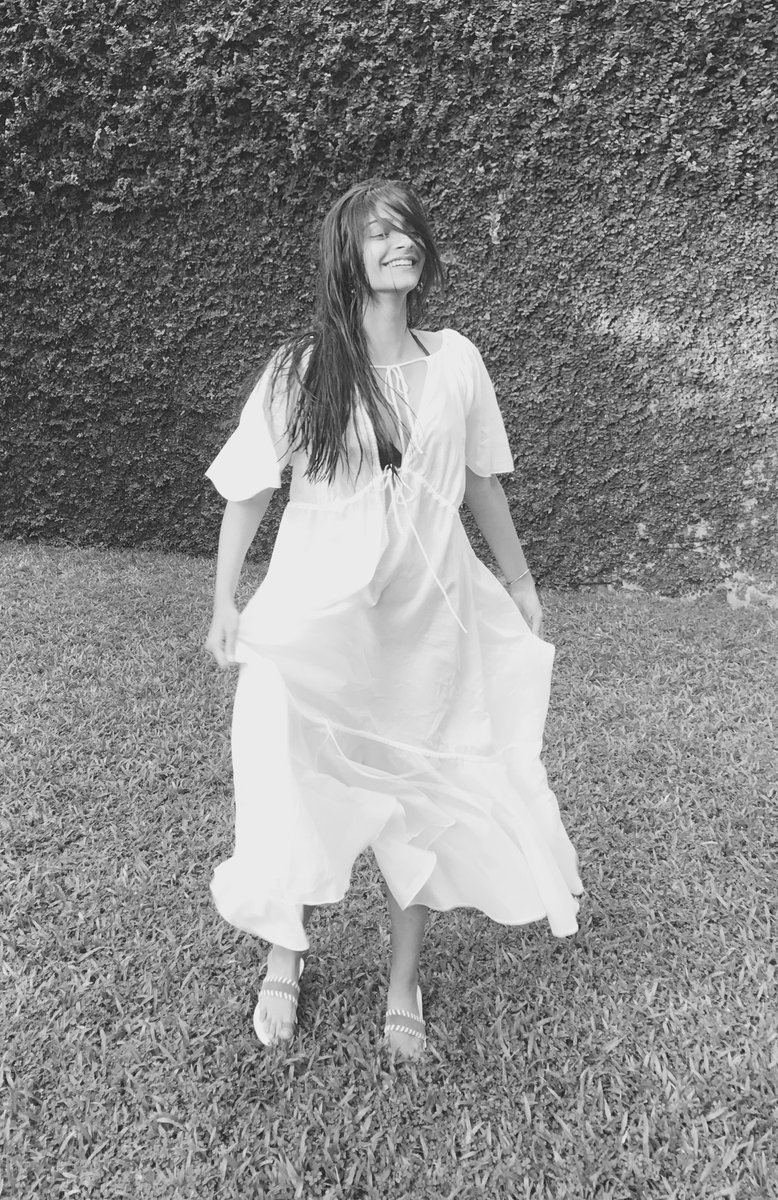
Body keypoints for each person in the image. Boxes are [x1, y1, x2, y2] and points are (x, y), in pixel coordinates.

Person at [204, 178, 582, 1060]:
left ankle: (402, 982)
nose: (399, 242)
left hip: (425, 615)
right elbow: (250, 488)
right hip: (318, 612)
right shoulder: (303, 369)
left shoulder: (458, 361)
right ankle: (284, 952)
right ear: (348, 254)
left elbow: (481, 480)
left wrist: (520, 581)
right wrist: (224, 599)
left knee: (422, 791)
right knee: (290, 768)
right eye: (378, 233)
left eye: (407, 228)